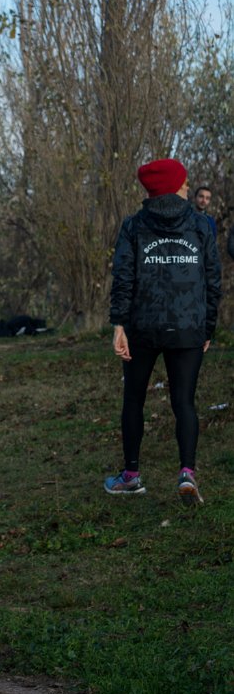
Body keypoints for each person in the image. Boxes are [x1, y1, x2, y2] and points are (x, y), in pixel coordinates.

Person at [106, 158, 220, 506]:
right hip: (187, 327)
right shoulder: (200, 225)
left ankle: (131, 476)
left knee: (134, 399)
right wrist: (207, 326)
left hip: (142, 327)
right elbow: (212, 280)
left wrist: (119, 324)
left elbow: (123, 277)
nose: (187, 187)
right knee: (184, 401)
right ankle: (187, 473)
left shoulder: (134, 226)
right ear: (173, 186)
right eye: (183, 182)